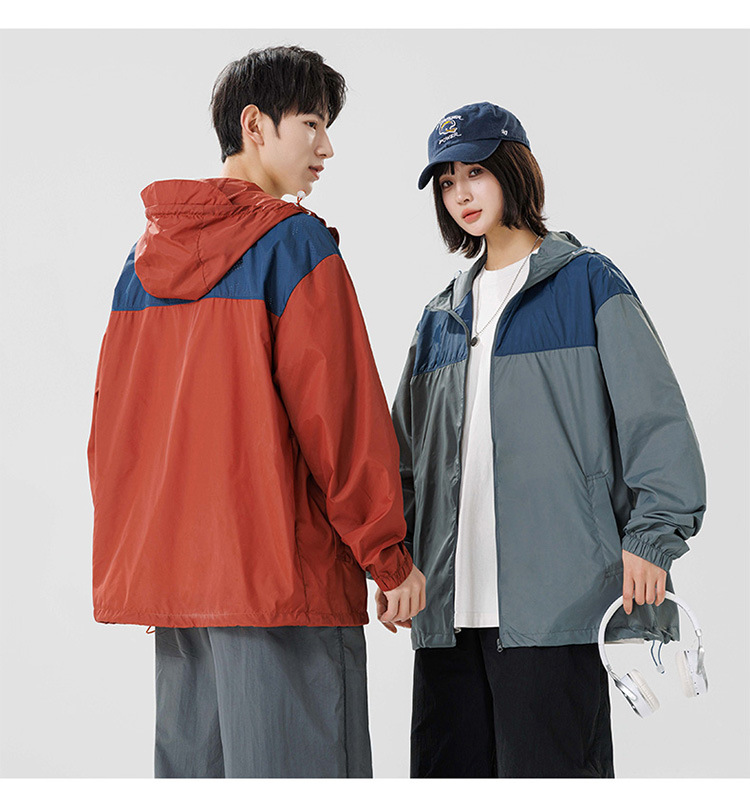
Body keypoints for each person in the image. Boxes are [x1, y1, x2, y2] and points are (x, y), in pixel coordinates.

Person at [87, 45, 425, 779]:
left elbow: (112, 431)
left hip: (180, 594)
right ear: (255, 125)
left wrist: (149, 554)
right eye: (312, 124)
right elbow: (340, 419)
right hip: (283, 583)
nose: (327, 148)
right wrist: (387, 556)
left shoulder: (140, 264)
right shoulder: (292, 244)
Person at [382, 101, 706, 778]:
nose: (461, 194)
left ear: (515, 169)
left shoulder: (589, 284)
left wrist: (652, 537)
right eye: (447, 181)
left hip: (557, 605)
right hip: (446, 615)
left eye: (475, 172)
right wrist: (395, 562)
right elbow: (401, 461)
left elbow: (655, 420)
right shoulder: (440, 317)